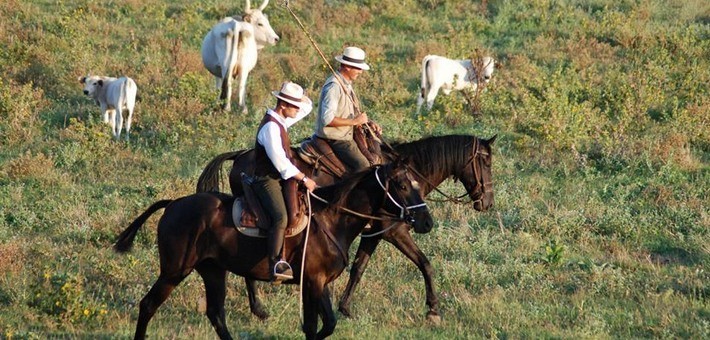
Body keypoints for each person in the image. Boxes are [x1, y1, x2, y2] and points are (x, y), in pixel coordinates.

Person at [252, 81, 317, 282]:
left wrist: (298, 97)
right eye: (294, 106)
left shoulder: (280, 120)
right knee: (281, 217)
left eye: (297, 106)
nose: (298, 110)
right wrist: (304, 179)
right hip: (266, 179)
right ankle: (275, 263)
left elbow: (307, 107)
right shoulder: (271, 127)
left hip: (278, 177)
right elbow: (281, 164)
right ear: (283, 106)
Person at [315, 46, 382, 173]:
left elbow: (349, 112)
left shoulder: (346, 84)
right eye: (358, 68)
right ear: (347, 67)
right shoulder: (334, 87)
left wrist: (367, 122)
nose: (361, 71)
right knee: (364, 168)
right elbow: (327, 119)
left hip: (346, 133)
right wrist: (355, 122)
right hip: (336, 138)